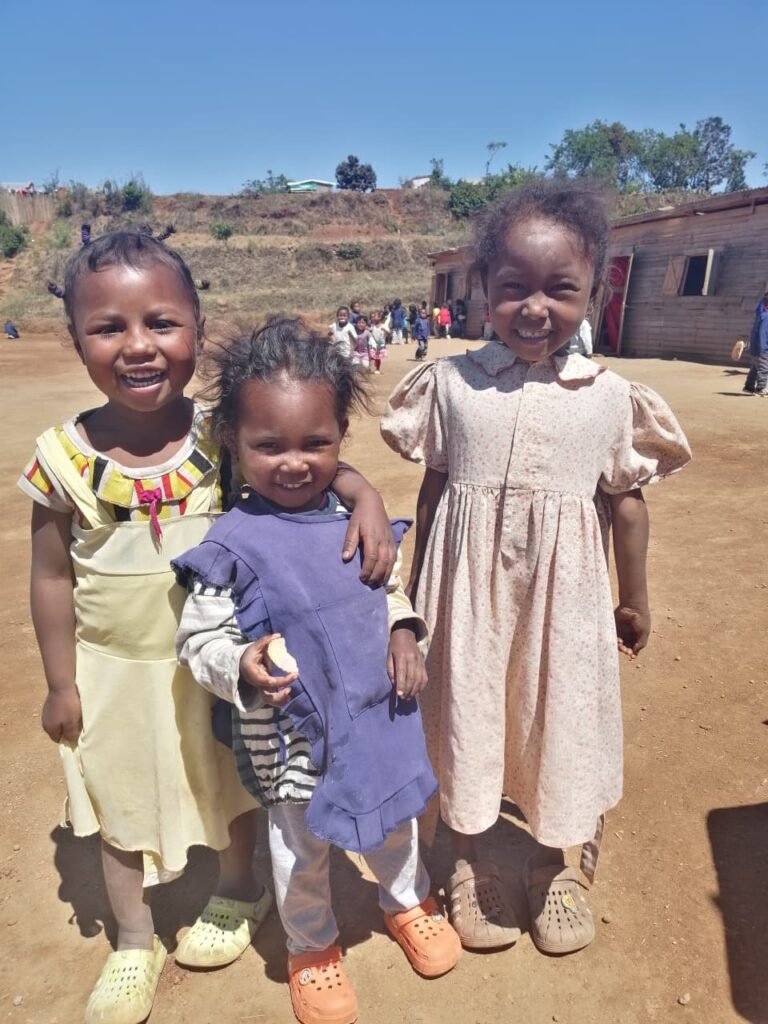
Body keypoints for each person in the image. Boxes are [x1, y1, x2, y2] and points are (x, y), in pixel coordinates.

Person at [18, 232, 398, 1024]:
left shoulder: (219, 438)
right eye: (108, 327)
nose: (138, 346)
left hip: (221, 659)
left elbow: (303, 464)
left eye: (161, 322)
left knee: (227, 788)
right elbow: (51, 574)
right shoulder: (62, 457)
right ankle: (131, 939)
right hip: (112, 670)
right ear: (74, 337)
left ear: (196, 324)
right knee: (113, 805)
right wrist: (61, 682)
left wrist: (362, 495)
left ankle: (239, 890)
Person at [381, 180, 691, 957]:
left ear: (594, 291)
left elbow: (626, 504)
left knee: (559, 714)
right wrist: (418, 594)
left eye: (561, 289)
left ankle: (556, 865)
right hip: (466, 594)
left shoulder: (612, 399)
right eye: (513, 287)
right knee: (469, 710)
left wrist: (636, 599)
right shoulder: (449, 386)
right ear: (484, 290)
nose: (534, 307)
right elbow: (436, 484)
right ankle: (471, 859)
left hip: (567, 601)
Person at [174, 321, 461, 1024]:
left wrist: (403, 629)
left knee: (398, 825)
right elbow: (198, 639)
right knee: (302, 848)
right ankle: (312, 946)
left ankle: (408, 902)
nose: (295, 463)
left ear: (340, 439)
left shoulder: (350, 516)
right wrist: (237, 662)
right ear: (234, 445)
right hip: (295, 744)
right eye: (269, 446)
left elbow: (384, 584)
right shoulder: (229, 546)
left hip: (377, 722)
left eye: (316, 443)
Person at [743, 292, 768, 396]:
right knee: (763, 367)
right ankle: (761, 388)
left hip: (755, 346)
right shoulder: (765, 316)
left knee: (754, 368)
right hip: (761, 347)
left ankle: (749, 387)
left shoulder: (760, 313)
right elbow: (763, 333)